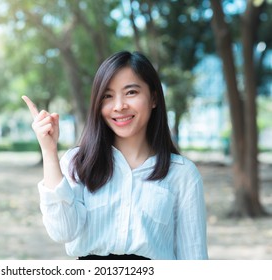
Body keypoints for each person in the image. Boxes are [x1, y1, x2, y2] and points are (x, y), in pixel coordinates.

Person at [22, 50, 208, 260]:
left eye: (131, 92)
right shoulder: (78, 162)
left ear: (154, 97)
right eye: (108, 96)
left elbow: (194, 256)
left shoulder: (182, 174)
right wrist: (49, 150)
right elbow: (62, 231)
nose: (119, 106)